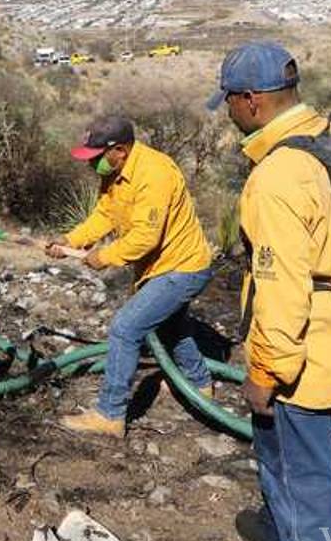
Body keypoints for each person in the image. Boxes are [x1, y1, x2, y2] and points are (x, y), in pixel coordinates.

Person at [206, 41, 331, 541]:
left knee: (301, 475)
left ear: (253, 101)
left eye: (231, 101)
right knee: (312, 457)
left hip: (307, 354)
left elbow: (281, 289)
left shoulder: (277, 178)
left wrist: (265, 372)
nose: (229, 112)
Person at [46, 115, 215, 438]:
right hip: (159, 269)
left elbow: (144, 238)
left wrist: (104, 257)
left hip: (183, 267)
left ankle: (110, 415)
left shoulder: (155, 174)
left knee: (126, 328)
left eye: (96, 158)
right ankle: (200, 385)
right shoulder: (114, 172)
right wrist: (71, 241)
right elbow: (104, 216)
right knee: (171, 326)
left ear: (120, 150)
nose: (91, 165)